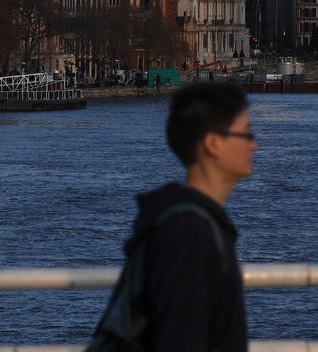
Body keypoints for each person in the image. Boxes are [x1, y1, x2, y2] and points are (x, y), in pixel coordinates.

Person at [96, 82, 256, 352]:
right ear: (213, 144)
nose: (254, 144)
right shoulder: (189, 234)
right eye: (246, 134)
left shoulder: (189, 222)